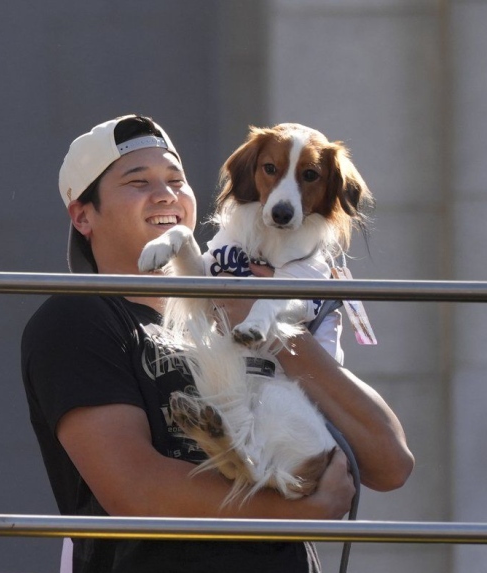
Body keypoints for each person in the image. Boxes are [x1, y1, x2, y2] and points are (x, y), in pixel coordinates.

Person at [21, 114, 414, 573]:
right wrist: (298, 514)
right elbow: (136, 489)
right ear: (82, 215)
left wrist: (272, 323)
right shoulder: (78, 317)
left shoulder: (240, 304)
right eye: (137, 181)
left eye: (176, 179)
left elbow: (390, 464)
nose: (166, 193)